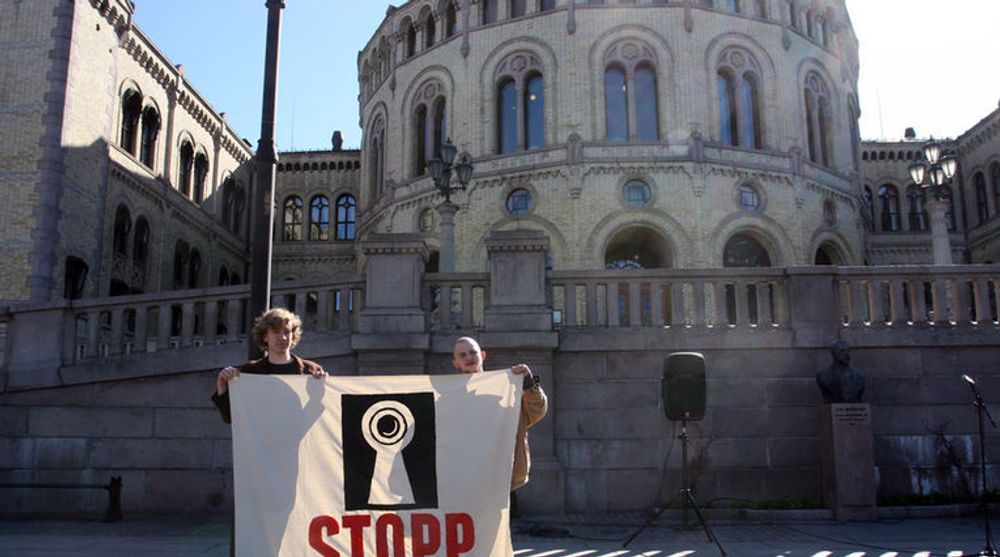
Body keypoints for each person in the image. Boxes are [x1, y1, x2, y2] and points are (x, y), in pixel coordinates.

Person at [451, 336, 548, 495]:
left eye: (472, 352)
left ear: (482, 355)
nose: (469, 357)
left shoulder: (507, 388)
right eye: (462, 355)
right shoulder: (449, 398)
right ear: (455, 363)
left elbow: (537, 410)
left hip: (503, 477)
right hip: (465, 480)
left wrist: (529, 384)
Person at [212, 307, 328, 423]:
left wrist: (324, 389)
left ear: (293, 335)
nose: (282, 337)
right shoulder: (250, 371)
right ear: (265, 337)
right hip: (261, 441)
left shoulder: (312, 370)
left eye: (287, 332)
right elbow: (231, 417)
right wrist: (222, 386)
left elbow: (325, 416)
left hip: (300, 440)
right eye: (276, 332)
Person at [816, 339, 865, 404]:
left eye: (848, 351)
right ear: (833, 354)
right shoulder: (823, 375)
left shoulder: (859, 375)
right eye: (842, 351)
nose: (846, 354)